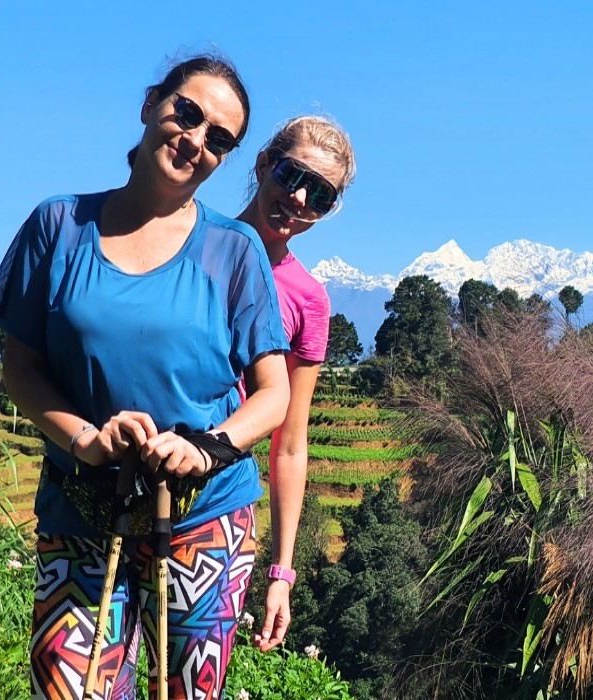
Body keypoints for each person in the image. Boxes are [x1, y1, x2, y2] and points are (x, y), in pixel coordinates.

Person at [0, 55, 290, 699]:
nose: (196, 139)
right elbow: (21, 367)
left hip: (205, 520)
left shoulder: (235, 251)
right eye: (187, 112)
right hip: (81, 505)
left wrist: (205, 448)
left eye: (220, 139)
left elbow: (274, 393)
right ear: (152, 104)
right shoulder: (58, 227)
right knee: (68, 688)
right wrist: (86, 441)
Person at [233, 115, 357, 652]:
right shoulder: (186, 239)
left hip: (220, 508)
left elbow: (290, 441)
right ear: (263, 164)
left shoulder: (309, 299)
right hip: (124, 478)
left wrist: (280, 573)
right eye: (290, 174)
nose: (299, 197)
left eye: (321, 195)